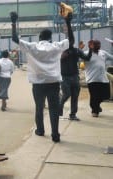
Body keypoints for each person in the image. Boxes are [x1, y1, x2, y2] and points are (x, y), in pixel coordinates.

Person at [10, 11, 73, 143]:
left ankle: (40, 130)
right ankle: (55, 134)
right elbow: (71, 41)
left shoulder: (32, 47)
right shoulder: (56, 46)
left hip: (38, 85)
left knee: (39, 107)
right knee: (54, 109)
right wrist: (68, 22)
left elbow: (15, 39)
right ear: (51, 38)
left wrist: (14, 22)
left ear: (39, 37)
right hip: (54, 83)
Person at [59, 40, 93, 121]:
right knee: (66, 95)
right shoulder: (61, 51)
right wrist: (60, 57)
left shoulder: (77, 51)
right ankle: (59, 109)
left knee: (75, 96)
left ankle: (73, 115)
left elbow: (87, 58)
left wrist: (90, 49)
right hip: (64, 77)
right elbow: (53, 61)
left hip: (75, 77)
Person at [83, 40, 113, 117]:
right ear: (91, 45)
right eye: (96, 44)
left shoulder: (103, 53)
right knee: (94, 96)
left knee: (106, 96)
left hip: (103, 78)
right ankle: (95, 111)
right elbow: (79, 59)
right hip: (92, 79)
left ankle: (96, 105)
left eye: (99, 44)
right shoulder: (86, 54)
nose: (98, 46)